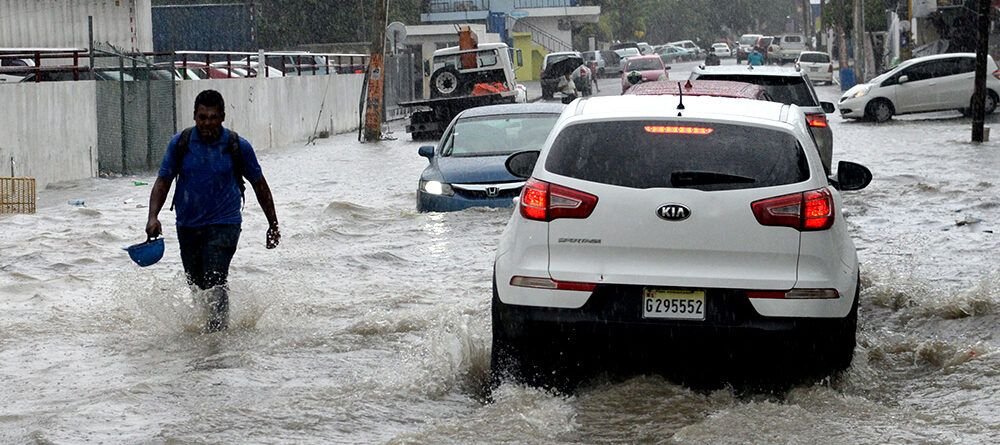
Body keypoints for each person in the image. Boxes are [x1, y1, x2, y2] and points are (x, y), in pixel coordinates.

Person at [145, 89, 280, 333]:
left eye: (213, 117)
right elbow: (163, 181)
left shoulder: (237, 146)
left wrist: (273, 224)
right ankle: (208, 328)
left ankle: (217, 337)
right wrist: (153, 216)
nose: (208, 123)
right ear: (195, 117)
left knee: (215, 280)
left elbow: (259, 184)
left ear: (223, 117)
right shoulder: (181, 144)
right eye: (202, 117)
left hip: (225, 224)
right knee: (196, 284)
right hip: (187, 225)